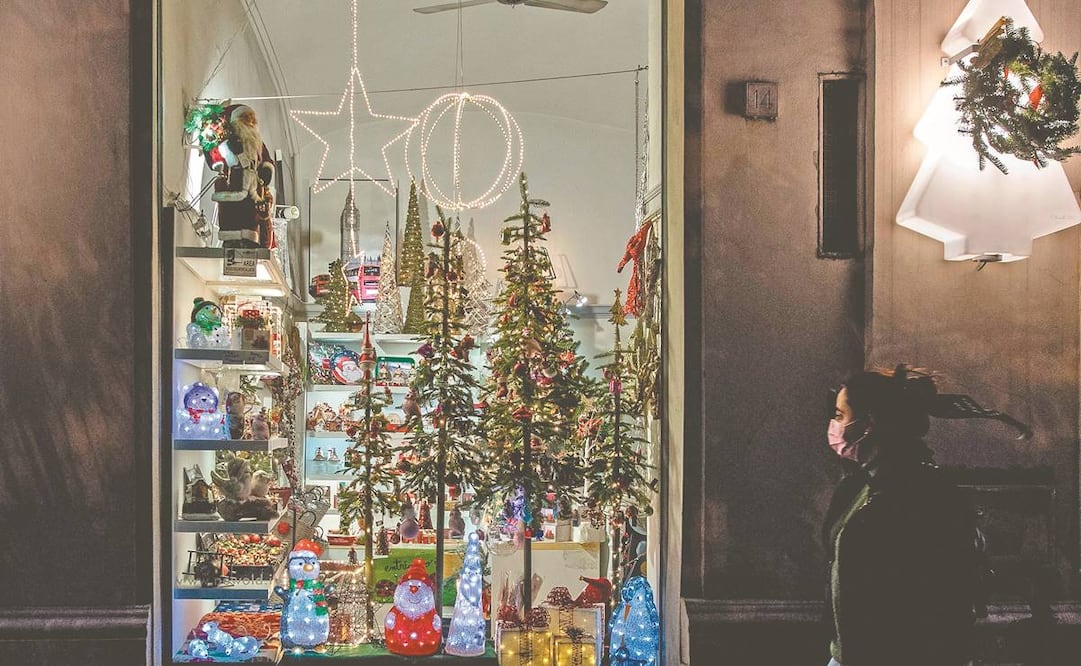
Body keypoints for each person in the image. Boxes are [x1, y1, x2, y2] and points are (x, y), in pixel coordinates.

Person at [823, 365, 980, 666]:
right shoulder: (861, 485)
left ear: (867, 424)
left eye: (840, 416)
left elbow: (936, 599)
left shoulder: (919, 494)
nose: (834, 425)